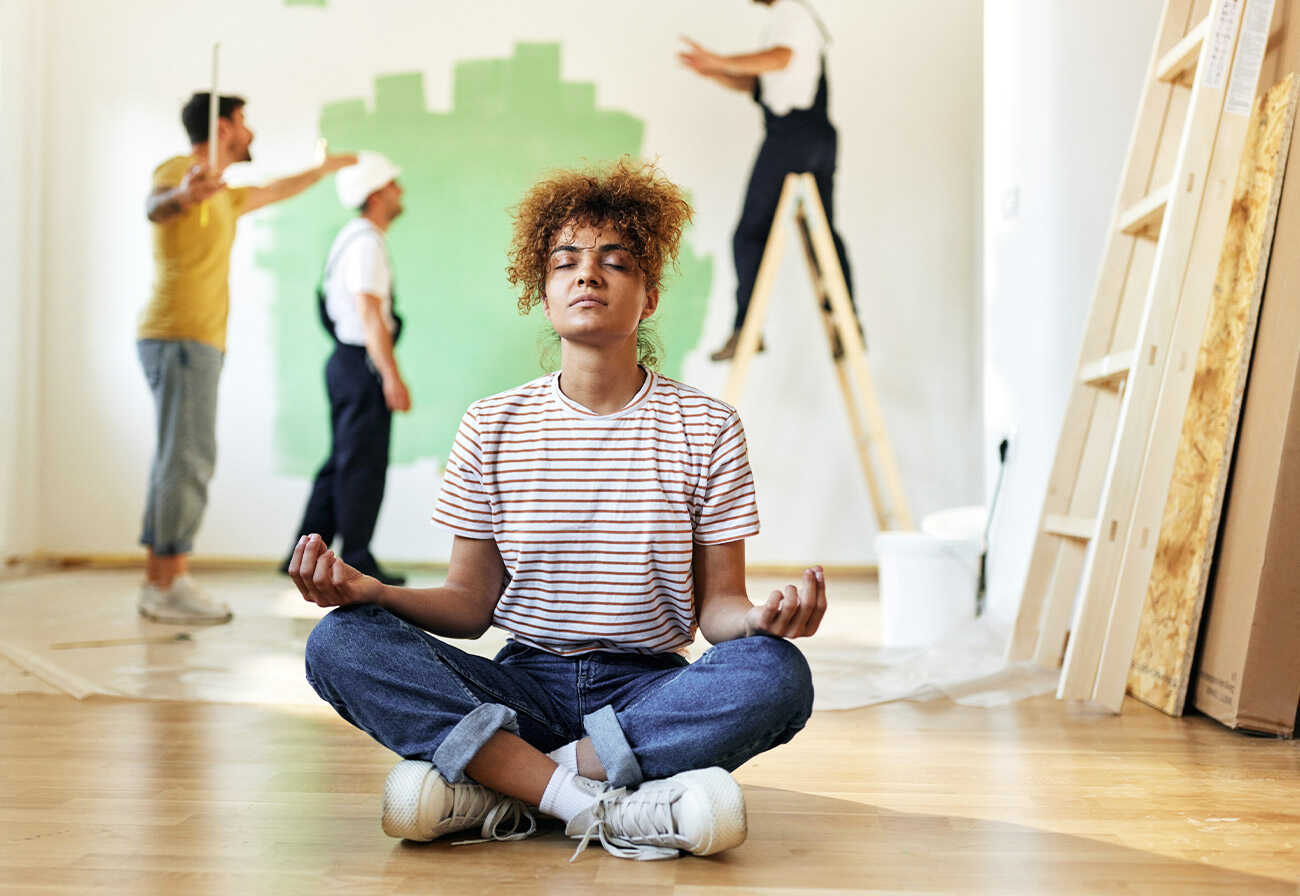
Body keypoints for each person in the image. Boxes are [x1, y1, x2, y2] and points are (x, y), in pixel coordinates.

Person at [289, 159, 825, 861]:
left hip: (647, 689)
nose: (588, 275)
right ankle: (601, 800)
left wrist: (759, 621)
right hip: (521, 685)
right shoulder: (492, 424)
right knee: (339, 643)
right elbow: (468, 604)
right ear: (543, 293)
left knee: (777, 674)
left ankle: (508, 786)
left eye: (615, 262)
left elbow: (719, 608)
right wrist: (369, 591)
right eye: (566, 261)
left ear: (650, 295)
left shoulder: (708, 426)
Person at [137, 91, 355, 625]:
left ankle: (160, 579)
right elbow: (157, 206)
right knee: (187, 458)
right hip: (180, 336)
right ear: (225, 127)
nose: (251, 131)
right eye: (244, 121)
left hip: (196, 342)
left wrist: (321, 170)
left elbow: (277, 188)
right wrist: (186, 195)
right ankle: (168, 584)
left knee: (180, 456)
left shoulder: (227, 196)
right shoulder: (180, 172)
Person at [680, 0, 857, 362]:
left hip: (792, 136)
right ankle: (848, 323)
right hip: (816, 137)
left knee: (750, 234)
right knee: (821, 233)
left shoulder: (789, 12)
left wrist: (720, 59)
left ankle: (748, 327)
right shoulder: (794, 18)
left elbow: (779, 58)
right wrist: (713, 70)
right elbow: (758, 80)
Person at [283, 152, 411, 586]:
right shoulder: (367, 243)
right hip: (361, 364)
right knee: (361, 465)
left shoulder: (351, 239)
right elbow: (370, 313)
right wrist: (391, 375)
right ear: (376, 195)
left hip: (347, 362)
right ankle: (357, 560)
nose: (400, 192)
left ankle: (298, 554)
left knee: (342, 462)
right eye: (394, 185)